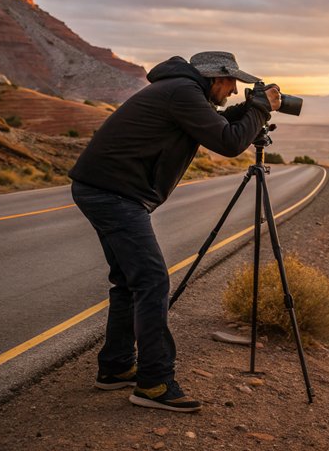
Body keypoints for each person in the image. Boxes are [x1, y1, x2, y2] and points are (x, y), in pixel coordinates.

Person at [69, 51, 280, 412]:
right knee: (152, 282)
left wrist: (251, 110)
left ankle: (117, 367)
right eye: (232, 83)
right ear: (216, 77)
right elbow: (230, 143)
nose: (233, 91)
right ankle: (154, 383)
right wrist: (259, 109)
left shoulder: (182, 91)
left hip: (106, 189)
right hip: (113, 193)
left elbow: (219, 126)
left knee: (129, 281)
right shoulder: (183, 92)